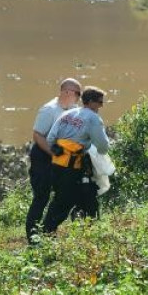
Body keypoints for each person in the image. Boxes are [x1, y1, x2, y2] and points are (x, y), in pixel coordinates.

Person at [42, 86, 110, 234]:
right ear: (91, 102)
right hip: (73, 167)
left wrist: (60, 150)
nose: (101, 105)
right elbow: (103, 147)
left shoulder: (67, 114)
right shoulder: (93, 118)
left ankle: (85, 228)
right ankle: (45, 232)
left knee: (80, 195)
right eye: (100, 102)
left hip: (56, 164)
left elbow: (50, 138)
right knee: (65, 200)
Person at [25, 77, 81, 244]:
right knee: (41, 197)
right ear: (67, 92)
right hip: (43, 156)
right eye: (78, 94)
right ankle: (34, 239)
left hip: (61, 157)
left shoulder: (72, 108)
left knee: (64, 195)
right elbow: (37, 135)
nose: (79, 97)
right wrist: (52, 154)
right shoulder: (49, 110)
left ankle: (49, 230)